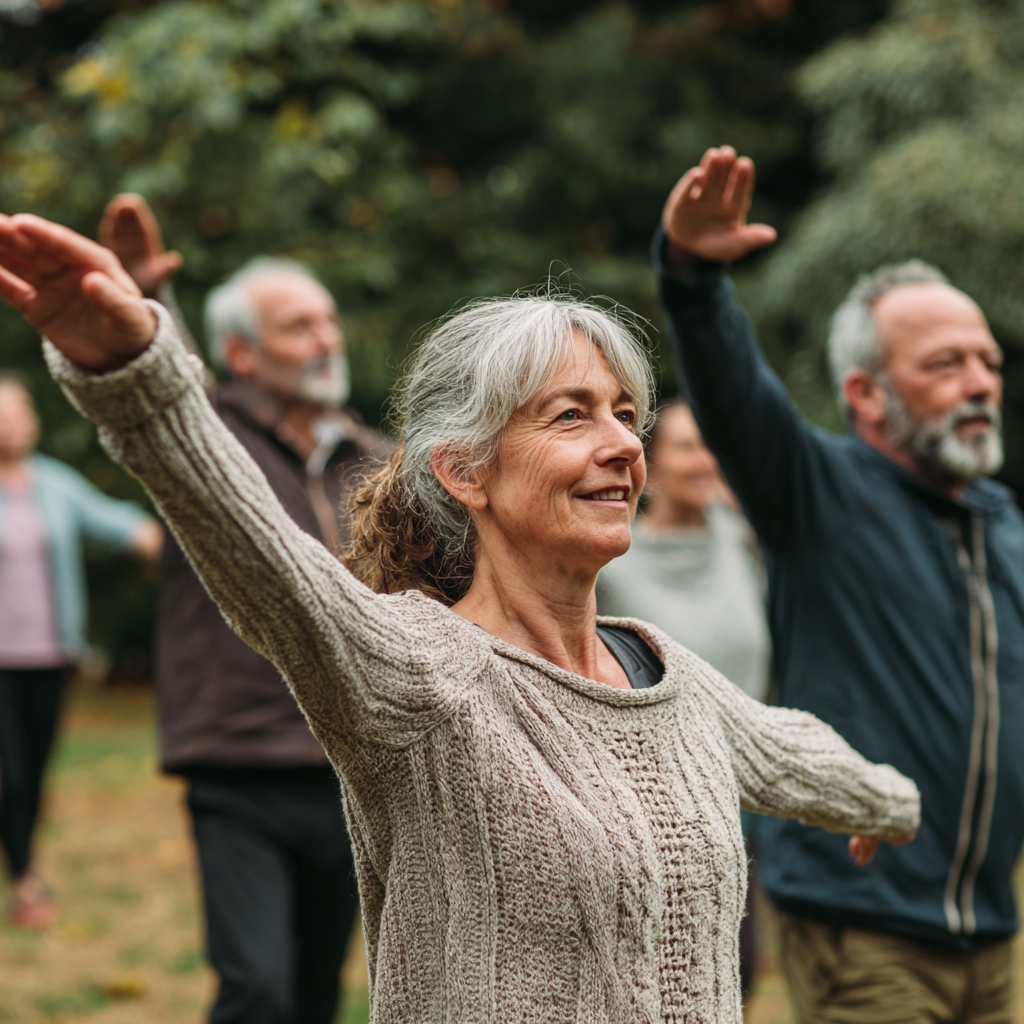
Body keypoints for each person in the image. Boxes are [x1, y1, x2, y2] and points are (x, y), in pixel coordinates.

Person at [0, 212, 919, 1024]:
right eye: (571, 416)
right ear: (465, 472)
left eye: (628, 415)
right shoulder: (423, 674)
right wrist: (133, 373)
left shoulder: (665, 678)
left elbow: (790, 750)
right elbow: (263, 563)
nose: (621, 446)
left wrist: (889, 800)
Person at [655, 145, 1023, 1023]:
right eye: (944, 365)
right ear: (865, 392)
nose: (979, 384)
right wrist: (695, 278)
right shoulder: (817, 494)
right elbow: (734, 395)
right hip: (863, 928)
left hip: (994, 936)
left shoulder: (1004, 527)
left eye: (987, 362)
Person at [98, 195, 391, 1024]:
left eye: (328, 321)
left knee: (315, 993)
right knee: (255, 987)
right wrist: (149, 318)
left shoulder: (373, 459)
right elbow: (165, 401)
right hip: (236, 757)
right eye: (300, 326)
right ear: (240, 353)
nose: (326, 338)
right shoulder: (206, 443)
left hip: (348, 761)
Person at [596, 399, 771, 995]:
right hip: (653, 801)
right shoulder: (615, 557)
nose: (705, 460)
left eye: (712, 446)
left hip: (742, 791)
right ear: (651, 463)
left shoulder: (739, 537)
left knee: (734, 976)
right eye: (687, 446)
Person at [0, 372, 161, 928]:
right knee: (10, 773)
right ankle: (25, 882)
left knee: (35, 770)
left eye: (19, 411)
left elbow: (107, 517)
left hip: (48, 653)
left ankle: (22, 861)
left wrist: (152, 537)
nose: (12, 423)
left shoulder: (53, 484)